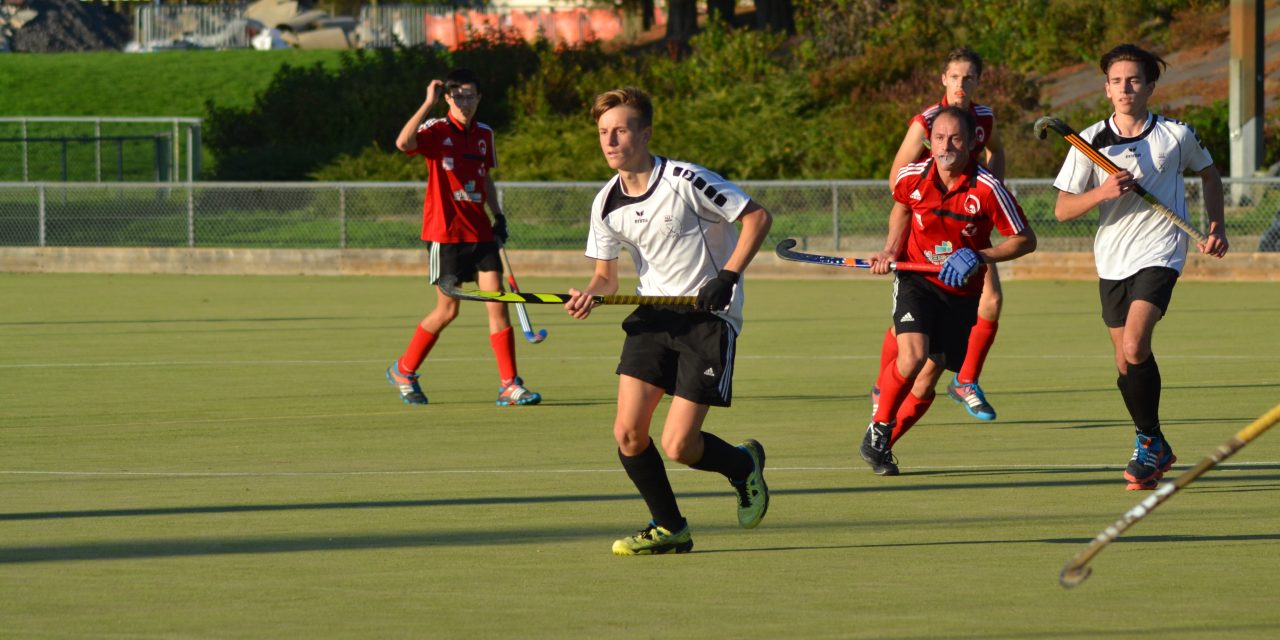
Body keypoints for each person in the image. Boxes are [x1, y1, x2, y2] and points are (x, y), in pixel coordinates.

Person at [563, 87, 772, 555]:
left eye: (620, 130)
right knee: (629, 433)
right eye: (602, 132)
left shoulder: (685, 179)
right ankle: (669, 525)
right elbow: (605, 278)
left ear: (645, 133)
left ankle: (741, 465)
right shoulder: (604, 203)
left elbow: (757, 218)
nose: (610, 141)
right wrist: (589, 296)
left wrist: (728, 276)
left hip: (707, 317)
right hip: (653, 315)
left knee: (680, 445)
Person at [1052, 44, 1228, 490]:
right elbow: (1062, 209)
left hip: (1161, 251)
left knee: (1134, 345)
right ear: (1106, 89)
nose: (1125, 88)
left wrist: (1215, 225)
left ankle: (1147, 444)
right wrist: (1102, 193)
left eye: (1134, 80)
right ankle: (1154, 445)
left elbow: (1209, 173)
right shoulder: (1088, 141)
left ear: (1150, 87)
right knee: (1125, 363)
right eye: (1116, 81)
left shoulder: (1176, 135)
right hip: (1112, 257)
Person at [861, 106, 1036, 476]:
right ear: (930, 141)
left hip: (961, 292)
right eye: (939, 138)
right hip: (917, 279)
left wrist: (979, 256)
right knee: (912, 356)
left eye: (955, 138)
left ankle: (884, 446)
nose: (946, 146)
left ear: (972, 142)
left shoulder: (988, 189)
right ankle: (879, 427)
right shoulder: (912, 176)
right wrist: (891, 249)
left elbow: (1025, 240)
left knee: (926, 380)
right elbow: (902, 208)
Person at [385, 68, 541, 407]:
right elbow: (402, 143)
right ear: (447, 98)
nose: (464, 102)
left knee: (497, 303)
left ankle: (509, 385)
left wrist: (498, 216)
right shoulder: (436, 129)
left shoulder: (485, 134)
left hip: (480, 232)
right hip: (445, 235)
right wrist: (427, 103)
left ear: (479, 98)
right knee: (447, 310)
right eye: (457, 96)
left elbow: (485, 180)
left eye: (470, 95)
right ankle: (404, 369)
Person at [882, 47, 1007, 421]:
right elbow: (896, 181)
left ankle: (966, 379)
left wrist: (991, 187)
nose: (961, 84)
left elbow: (996, 151)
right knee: (910, 321)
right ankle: (883, 384)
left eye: (969, 78)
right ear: (943, 79)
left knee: (992, 300)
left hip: (966, 223)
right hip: (927, 219)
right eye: (954, 76)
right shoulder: (926, 122)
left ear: (978, 82)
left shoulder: (983, 118)